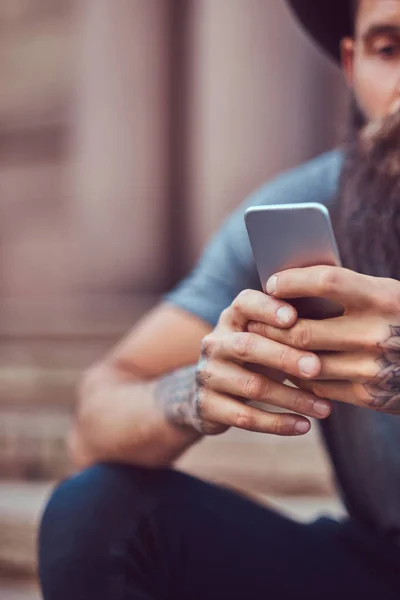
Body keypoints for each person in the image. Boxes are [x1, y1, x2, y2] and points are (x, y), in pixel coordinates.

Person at [39, 1, 400, 598]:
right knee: (100, 513)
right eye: (389, 50)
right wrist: (194, 395)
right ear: (351, 62)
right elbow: (93, 421)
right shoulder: (308, 205)